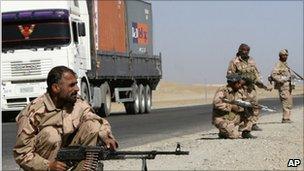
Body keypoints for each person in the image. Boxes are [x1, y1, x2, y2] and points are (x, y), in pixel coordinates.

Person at [13, 66, 118, 171]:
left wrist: (105, 136)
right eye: (72, 85)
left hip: (68, 159)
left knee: (93, 126)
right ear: (55, 88)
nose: (77, 89)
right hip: (44, 165)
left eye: (76, 84)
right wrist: (48, 166)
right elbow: (22, 154)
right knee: (51, 134)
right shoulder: (33, 112)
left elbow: (95, 119)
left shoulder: (77, 103)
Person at [227, 43, 272, 131]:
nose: (246, 52)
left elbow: (256, 73)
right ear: (239, 50)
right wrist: (240, 81)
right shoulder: (234, 61)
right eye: (244, 50)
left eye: (247, 50)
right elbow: (230, 76)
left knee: (254, 106)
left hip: (251, 88)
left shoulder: (251, 60)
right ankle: (241, 125)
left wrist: (263, 85)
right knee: (241, 107)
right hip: (240, 88)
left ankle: (253, 123)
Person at [212, 73, 256, 139]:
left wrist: (249, 104)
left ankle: (246, 131)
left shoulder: (239, 91)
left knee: (249, 109)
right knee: (234, 136)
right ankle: (223, 132)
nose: (240, 84)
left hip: (234, 117)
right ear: (232, 83)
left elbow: (246, 100)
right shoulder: (223, 90)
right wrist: (232, 106)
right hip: (222, 118)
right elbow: (217, 103)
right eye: (238, 83)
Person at [269, 49, 293, 123]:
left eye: (286, 55)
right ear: (280, 56)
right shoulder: (278, 64)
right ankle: (285, 118)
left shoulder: (285, 64)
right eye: (283, 55)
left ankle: (287, 118)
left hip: (288, 86)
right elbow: (273, 74)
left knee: (289, 102)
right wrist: (281, 80)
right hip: (283, 87)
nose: (285, 56)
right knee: (286, 101)